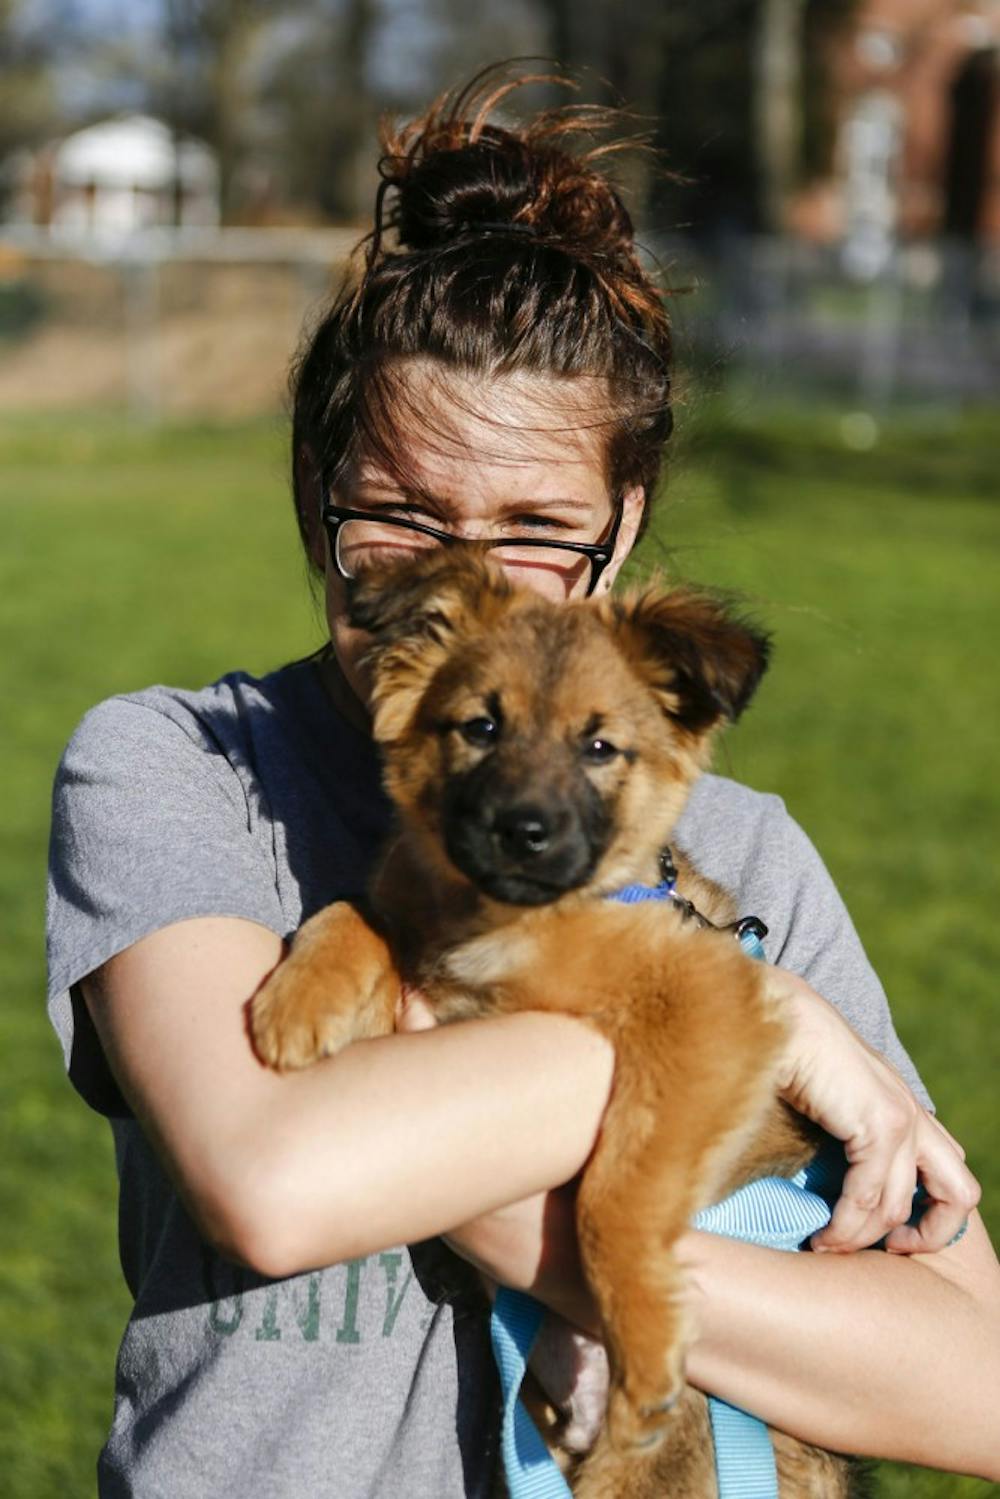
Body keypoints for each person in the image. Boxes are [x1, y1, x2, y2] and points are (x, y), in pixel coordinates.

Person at [46, 73, 999, 1498]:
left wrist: (629, 1276)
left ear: (624, 525)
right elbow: (278, 1183)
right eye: (402, 515)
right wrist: (750, 1014)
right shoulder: (187, 769)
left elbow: (977, 1382)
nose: (471, 585)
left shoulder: (746, 851)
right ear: (313, 485)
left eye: (538, 527)